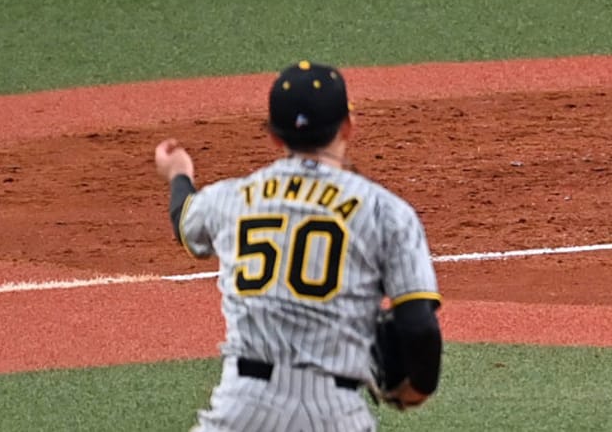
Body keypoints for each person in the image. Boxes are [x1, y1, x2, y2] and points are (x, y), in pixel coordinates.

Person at [152, 61, 444, 428]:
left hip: (243, 408)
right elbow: (419, 324)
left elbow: (184, 220)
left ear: (275, 137)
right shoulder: (387, 212)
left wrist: (179, 172)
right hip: (335, 413)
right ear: (348, 127)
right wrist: (417, 389)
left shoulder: (229, 199)